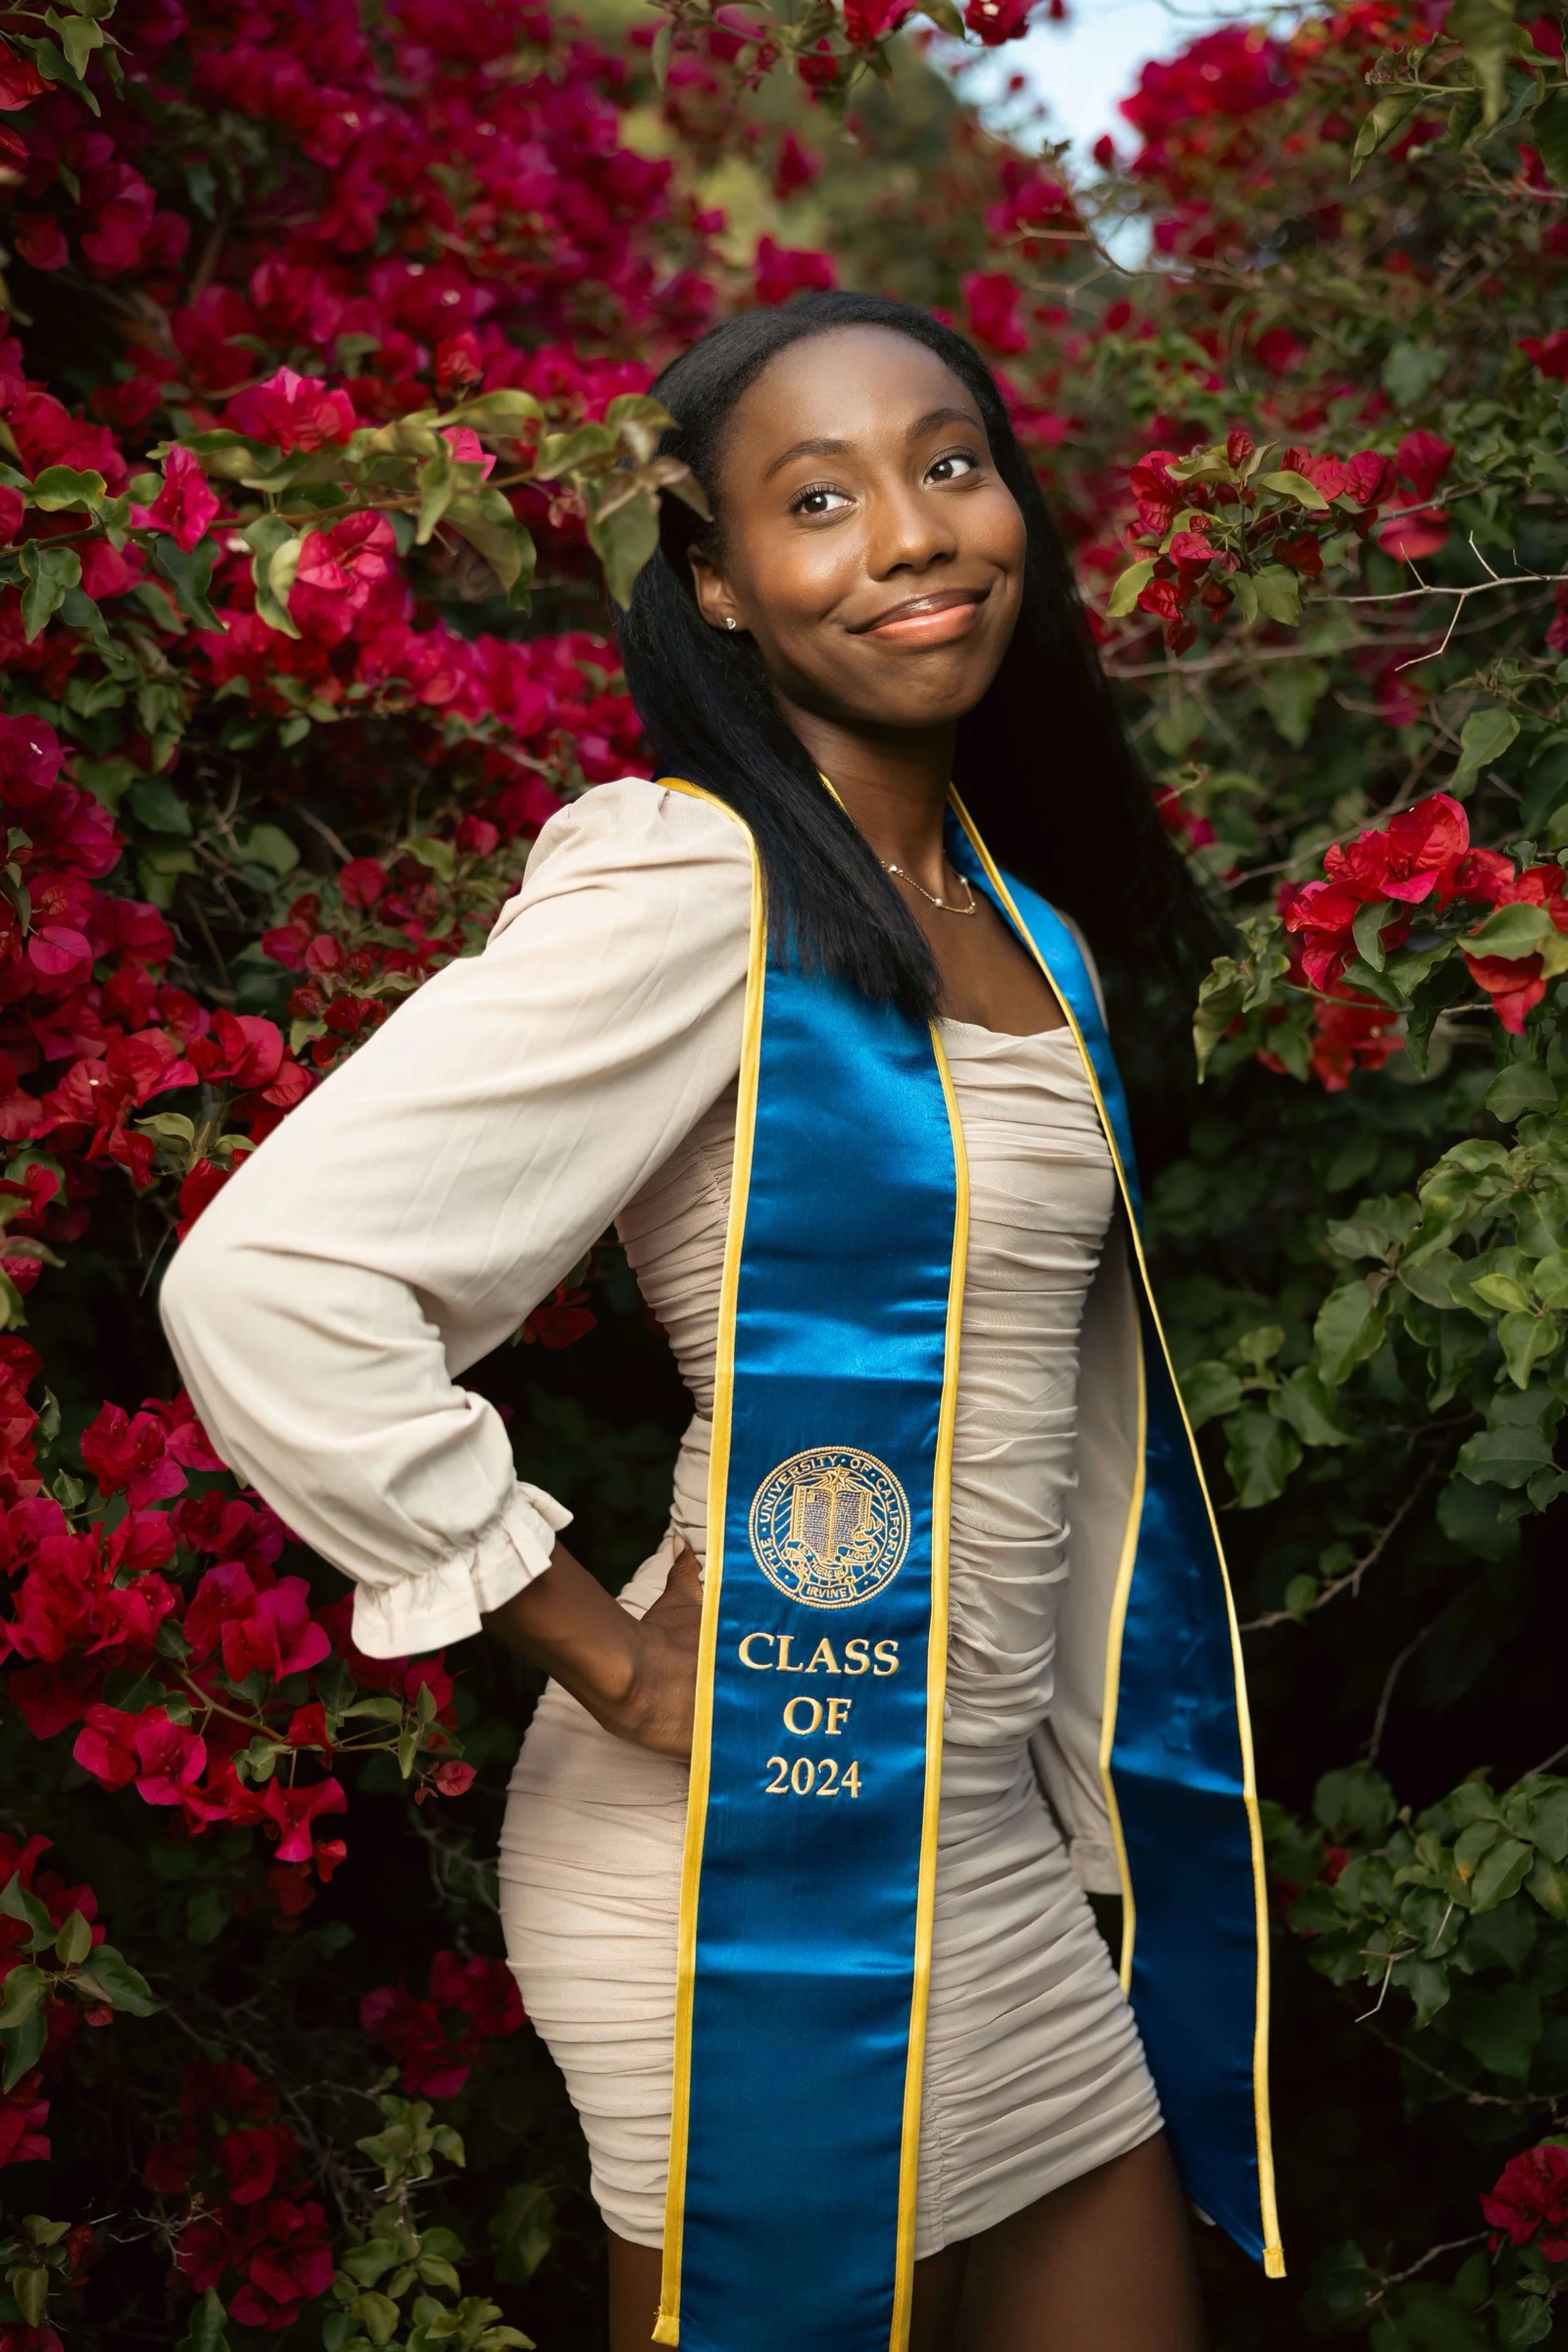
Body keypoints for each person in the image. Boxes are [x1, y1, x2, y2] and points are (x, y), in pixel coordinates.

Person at [160, 291, 1281, 2352]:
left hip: (984, 1858)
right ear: (720, 585)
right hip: (739, 1861)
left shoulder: (1022, 921)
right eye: (818, 500)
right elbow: (272, 1275)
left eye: (947, 467)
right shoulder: (691, 884)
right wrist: (595, 1649)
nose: (912, 537)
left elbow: (1041, 1402)